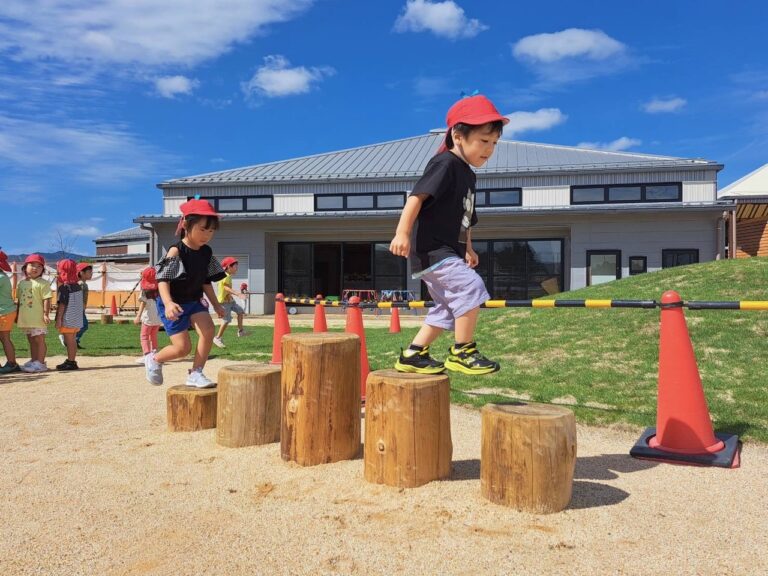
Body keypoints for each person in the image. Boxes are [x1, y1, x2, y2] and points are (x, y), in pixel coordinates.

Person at [389, 94, 508, 375]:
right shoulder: (444, 164)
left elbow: (466, 218)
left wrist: (468, 248)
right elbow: (416, 198)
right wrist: (402, 233)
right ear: (457, 135)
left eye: (494, 144)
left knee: (445, 306)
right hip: (432, 249)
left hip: (448, 250)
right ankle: (462, 350)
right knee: (470, 288)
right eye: (483, 141)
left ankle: (413, 354)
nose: (489, 150)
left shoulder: (468, 175)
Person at [144, 198, 226, 388]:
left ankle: (196, 372)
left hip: (194, 300)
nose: (207, 235)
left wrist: (216, 304)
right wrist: (169, 303)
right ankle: (154, 359)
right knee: (182, 349)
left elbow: (206, 281)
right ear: (187, 225)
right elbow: (162, 279)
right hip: (174, 303)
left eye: (211, 231)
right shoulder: (176, 251)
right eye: (202, 229)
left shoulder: (206, 252)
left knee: (208, 329)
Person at [16, 254, 53, 373]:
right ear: (25, 267)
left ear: (43, 270)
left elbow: (47, 299)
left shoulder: (43, 283)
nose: (35, 268)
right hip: (26, 318)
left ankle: (41, 363)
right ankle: (34, 360)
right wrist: (17, 315)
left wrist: (45, 314)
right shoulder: (21, 284)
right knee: (31, 340)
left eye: (39, 266)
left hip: (37, 318)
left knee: (39, 340)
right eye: (32, 265)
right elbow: (19, 300)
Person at [54, 259, 84, 371]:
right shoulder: (77, 286)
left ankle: (71, 362)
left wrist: (59, 319)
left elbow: (62, 304)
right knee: (72, 339)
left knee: (69, 340)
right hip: (76, 318)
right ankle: (71, 360)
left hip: (68, 318)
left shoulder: (64, 288)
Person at [212, 256, 248, 348]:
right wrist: (238, 294)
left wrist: (233, 296)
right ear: (228, 267)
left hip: (230, 301)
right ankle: (217, 338)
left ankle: (241, 331)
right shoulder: (225, 276)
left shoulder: (227, 276)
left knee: (240, 312)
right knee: (226, 320)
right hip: (224, 302)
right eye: (235, 266)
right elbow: (226, 288)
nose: (237, 268)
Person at [133, 267, 163, 363]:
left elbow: (143, 303)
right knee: (153, 335)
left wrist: (138, 316)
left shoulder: (145, 290)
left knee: (144, 336)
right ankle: (154, 353)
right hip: (158, 317)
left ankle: (147, 355)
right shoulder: (159, 288)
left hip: (148, 317)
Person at [0, 250, 20, 375]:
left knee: (4, 338)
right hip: (4, 311)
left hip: (4, 312)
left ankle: (12, 363)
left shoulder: (1, 277)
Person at [74, 263, 93, 349]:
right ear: (81, 273)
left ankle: (74, 341)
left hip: (80, 308)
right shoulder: (81, 284)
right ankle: (69, 339)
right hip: (78, 309)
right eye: (89, 272)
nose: (91, 274)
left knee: (80, 326)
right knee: (84, 325)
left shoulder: (83, 283)